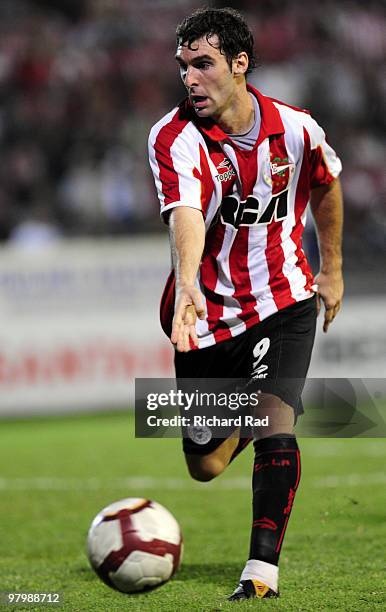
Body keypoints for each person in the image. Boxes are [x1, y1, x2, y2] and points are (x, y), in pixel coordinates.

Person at [148, 7, 343, 601]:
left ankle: (260, 574)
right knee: (204, 466)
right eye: (183, 66)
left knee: (276, 422)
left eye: (202, 64)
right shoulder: (173, 136)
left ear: (238, 65)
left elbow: (328, 183)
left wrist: (332, 270)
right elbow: (186, 214)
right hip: (209, 312)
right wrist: (187, 288)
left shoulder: (298, 128)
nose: (189, 78)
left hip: (285, 298)